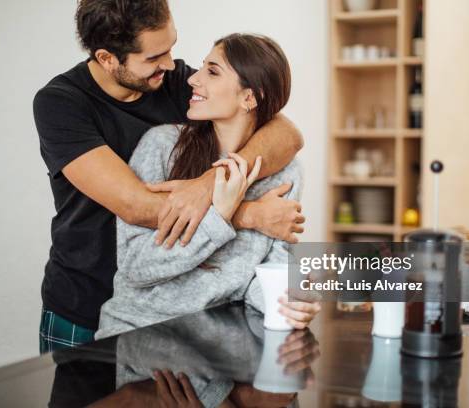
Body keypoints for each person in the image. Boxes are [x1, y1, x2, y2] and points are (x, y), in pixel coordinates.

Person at [33, 0, 305, 353]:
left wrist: (211, 183)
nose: (171, 63)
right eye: (153, 57)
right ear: (107, 58)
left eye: (171, 47)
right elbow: (136, 205)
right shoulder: (62, 103)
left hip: (175, 312)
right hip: (84, 301)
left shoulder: (171, 80)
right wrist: (248, 214)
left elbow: (285, 131)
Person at [96, 33, 321, 339]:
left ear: (249, 97)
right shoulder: (162, 146)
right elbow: (136, 266)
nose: (193, 79)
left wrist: (288, 303)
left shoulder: (287, 173)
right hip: (141, 334)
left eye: (212, 72)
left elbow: (268, 275)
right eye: (202, 68)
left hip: (218, 344)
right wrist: (219, 218)